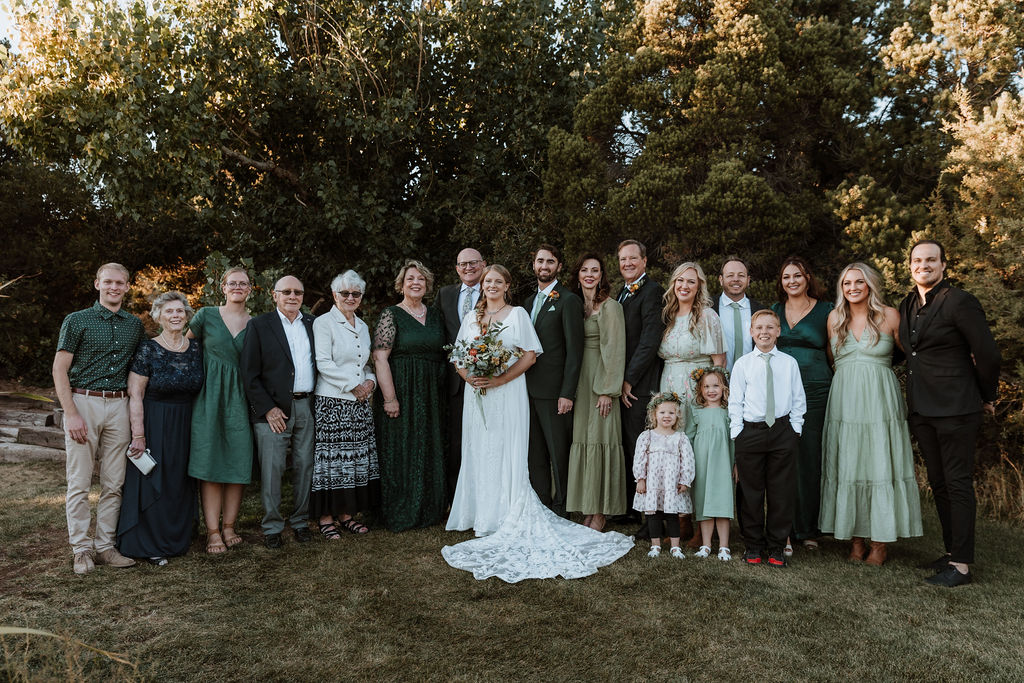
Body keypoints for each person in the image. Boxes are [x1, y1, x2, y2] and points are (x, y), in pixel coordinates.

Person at [443, 265, 633, 582]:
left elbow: (530, 356)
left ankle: (505, 511)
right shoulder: (472, 318)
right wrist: (472, 379)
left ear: (507, 285)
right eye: (487, 281)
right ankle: (481, 512)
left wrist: (498, 379)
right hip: (477, 394)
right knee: (480, 448)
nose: (491, 285)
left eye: (497, 281)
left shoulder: (517, 314)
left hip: (507, 392)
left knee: (507, 448)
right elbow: (458, 358)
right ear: (482, 286)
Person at [898, 240, 1000, 587]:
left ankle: (962, 566)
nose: (923, 265)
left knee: (957, 484)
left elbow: (988, 354)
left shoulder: (959, 301)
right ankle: (951, 551)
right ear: (910, 265)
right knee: (939, 484)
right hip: (922, 409)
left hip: (957, 408)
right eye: (917, 260)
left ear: (943, 264)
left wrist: (987, 395)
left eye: (930, 260)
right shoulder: (908, 303)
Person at [819, 263, 922, 565]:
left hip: (880, 399)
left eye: (859, 282)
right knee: (850, 461)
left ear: (870, 285)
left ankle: (879, 543)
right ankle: (856, 539)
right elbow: (832, 360)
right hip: (845, 399)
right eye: (846, 283)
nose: (852, 287)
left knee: (879, 463)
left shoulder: (889, 316)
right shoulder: (834, 318)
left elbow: (912, 355)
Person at [53, 263, 146, 574]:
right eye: (108, 282)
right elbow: (59, 369)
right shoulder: (77, 320)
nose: (114, 287)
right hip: (84, 402)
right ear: (97, 284)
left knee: (114, 482)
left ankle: (105, 546)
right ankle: (81, 549)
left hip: (118, 405)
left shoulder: (135, 325)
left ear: (128, 287)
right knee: (79, 483)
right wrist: (72, 413)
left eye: (120, 283)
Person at [118, 291, 204, 565]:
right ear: (158, 316)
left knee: (179, 481)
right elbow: (136, 394)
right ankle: (149, 543)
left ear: (187, 315)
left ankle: (176, 539)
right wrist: (139, 435)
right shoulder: (148, 348)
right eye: (169, 311)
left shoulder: (196, 349)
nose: (175, 316)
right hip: (154, 421)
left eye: (180, 311)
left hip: (187, 423)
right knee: (154, 478)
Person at [240, 275, 317, 549]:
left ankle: (300, 521)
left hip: (306, 405)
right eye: (286, 292)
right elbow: (249, 373)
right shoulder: (260, 325)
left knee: (305, 465)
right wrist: (267, 409)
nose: (292, 296)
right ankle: (272, 526)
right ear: (275, 295)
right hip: (273, 409)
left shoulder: (312, 324)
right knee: (272, 469)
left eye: (298, 292)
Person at [373, 260, 447, 531]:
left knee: (428, 443)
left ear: (427, 285)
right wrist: (390, 398)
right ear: (401, 285)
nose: (416, 283)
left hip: (431, 391)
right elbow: (380, 358)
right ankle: (401, 509)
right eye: (410, 279)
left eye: (421, 280)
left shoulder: (437, 314)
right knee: (402, 445)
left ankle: (430, 507)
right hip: (401, 387)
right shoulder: (391, 314)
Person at [730, 310, 806, 568]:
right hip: (750, 432)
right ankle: (753, 545)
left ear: (778, 331)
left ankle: (775, 547)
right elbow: (735, 402)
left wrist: (795, 430)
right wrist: (737, 432)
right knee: (750, 493)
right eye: (759, 327)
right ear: (751, 332)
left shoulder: (788, 363)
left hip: (783, 432)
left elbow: (798, 399)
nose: (764, 332)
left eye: (770, 327)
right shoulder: (743, 364)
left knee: (780, 492)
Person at [186, 266, 254, 554]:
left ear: (250, 289)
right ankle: (213, 531)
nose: (237, 287)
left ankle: (229, 527)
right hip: (208, 396)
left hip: (241, 398)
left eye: (243, 283)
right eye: (232, 283)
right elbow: (182, 347)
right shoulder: (206, 316)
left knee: (238, 462)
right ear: (223, 287)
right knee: (210, 463)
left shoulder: (257, 324)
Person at [658, 261, 725, 546]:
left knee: (698, 454)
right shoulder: (668, 315)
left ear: (699, 287)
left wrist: (715, 400)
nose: (684, 286)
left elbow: (719, 362)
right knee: (673, 452)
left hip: (696, 389)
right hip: (669, 385)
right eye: (680, 281)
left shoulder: (707, 316)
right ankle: (679, 519)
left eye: (691, 282)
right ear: (673, 284)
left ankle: (702, 523)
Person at [311, 271, 379, 539]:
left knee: (352, 461)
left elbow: (365, 364)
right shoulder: (323, 322)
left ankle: (347, 514)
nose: (350, 297)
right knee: (332, 462)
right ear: (334, 295)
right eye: (345, 293)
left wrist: (370, 383)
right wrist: (354, 384)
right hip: (333, 401)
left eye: (356, 293)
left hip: (360, 402)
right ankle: (326, 518)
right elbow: (324, 363)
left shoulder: (362, 325)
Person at [771, 256, 832, 553]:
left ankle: (810, 528)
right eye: (786, 277)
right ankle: (785, 526)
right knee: (784, 455)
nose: (792, 281)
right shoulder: (774, 311)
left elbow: (835, 350)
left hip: (816, 388)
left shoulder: (826, 311)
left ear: (808, 278)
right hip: (781, 390)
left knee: (810, 454)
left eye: (797, 275)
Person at [566, 253, 627, 531]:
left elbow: (614, 351)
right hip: (580, 381)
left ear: (602, 275)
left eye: (595, 270)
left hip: (601, 381)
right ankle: (587, 506)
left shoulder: (610, 307)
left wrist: (606, 390)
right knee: (583, 439)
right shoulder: (575, 306)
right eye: (584, 270)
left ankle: (602, 511)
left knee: (602, 439)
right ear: (577, 275)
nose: (589, 274)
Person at [523, 244, 584, 513]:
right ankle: (542, 503)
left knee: (559, 453)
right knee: (535, 454)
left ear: (559, 266)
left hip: (554, 391)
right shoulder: (527, 303)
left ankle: (563, 505)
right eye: (540, 261)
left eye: (550, 261)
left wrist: (567, 393)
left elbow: (574, 351)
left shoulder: (568, 300)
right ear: (534, 265)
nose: (544, 266)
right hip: (527, 390)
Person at [616, 240, 665, 521]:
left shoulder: (652, 291)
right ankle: (632, 509)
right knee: (628, 445)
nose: (628, 264)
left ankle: (648, 513)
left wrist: (629, 380)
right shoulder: (621, 293)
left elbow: (649, 341)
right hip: (622, 383)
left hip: (640, 385)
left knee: (640, 447)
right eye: (623, 259)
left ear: (644, 261)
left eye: (633, 258)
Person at [436, 248, 486, 501]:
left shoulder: (494, 290)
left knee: (484, 438)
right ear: (456, 268)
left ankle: (485, 494)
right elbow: (437, 333)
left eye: (473, 263)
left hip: (486, 376)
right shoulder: (444, 294)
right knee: (456, 441)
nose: (468, 268)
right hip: (454, 382)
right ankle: (457, 498)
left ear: (483, 265)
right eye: (463, 264)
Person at [632, 392, 695, 559]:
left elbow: (688, 460)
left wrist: (685, 480)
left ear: (677, 416)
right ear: (654, 415)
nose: (667, 416)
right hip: (653, 484)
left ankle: (675, 547)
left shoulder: (680, 438)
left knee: (672, 515)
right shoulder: (647, 437)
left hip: (671, 484)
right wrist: (641, 479)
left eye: (671, 413)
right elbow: (639, 459)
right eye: (662, 412)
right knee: (653, 515)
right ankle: (655, 546)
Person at [686, 366, 735, 561]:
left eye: (716, 385)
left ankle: (724, 546)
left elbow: (734, 439)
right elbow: (689, 438)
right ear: (700, 389)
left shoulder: (728, 410)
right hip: (702, 462)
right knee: (703, 501)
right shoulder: (697, 411)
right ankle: (706, 545)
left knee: (722, 501)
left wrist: (736, 463)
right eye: (706, 386)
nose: (711, 390)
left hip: (723, 461)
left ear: (724, 388)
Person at [713, 256, 766, 373]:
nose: (736, 279)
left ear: (748, 280)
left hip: (753, 379)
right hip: (716, 383)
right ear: (721, 280)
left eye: (741, 275)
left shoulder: (761, 311)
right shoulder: (708, 308)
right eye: (730, 275)